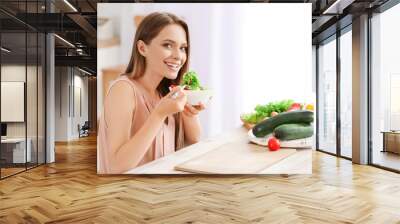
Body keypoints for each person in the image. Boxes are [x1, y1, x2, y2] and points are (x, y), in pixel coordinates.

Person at [97, 12, 206, 174]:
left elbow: (195, 139)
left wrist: (189, 114)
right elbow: (116, 166)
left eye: (183, 48)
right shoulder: (123, 90)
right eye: (168, 45)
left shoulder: (166, 91)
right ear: (142, 48)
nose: (178, 56)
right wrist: (159, 114)